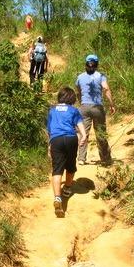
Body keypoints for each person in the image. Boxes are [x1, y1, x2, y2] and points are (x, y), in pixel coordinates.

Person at [46, 87, 87, 217]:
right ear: (72, 99)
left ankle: (57, 198)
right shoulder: (74, 110)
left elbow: (50, 130)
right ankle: (67, 189)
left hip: (56, 139)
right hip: (70, 138)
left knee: (57, 169)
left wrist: (50, 144)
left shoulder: (52, 111)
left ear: (60, 97)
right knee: (70, 166)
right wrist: (84, 136)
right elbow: (80, 125)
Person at [76, 54, 115, 166]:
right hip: (97, 107)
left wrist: (81, 102)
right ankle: (105, 159)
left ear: (86, 64)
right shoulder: (101, 76)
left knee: (84, 133)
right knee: (100, 133)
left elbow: (78, 91)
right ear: (97, 64)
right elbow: (106, 88)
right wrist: (111, 104)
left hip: (84, 107)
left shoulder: (80, 77)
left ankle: (81, 158)